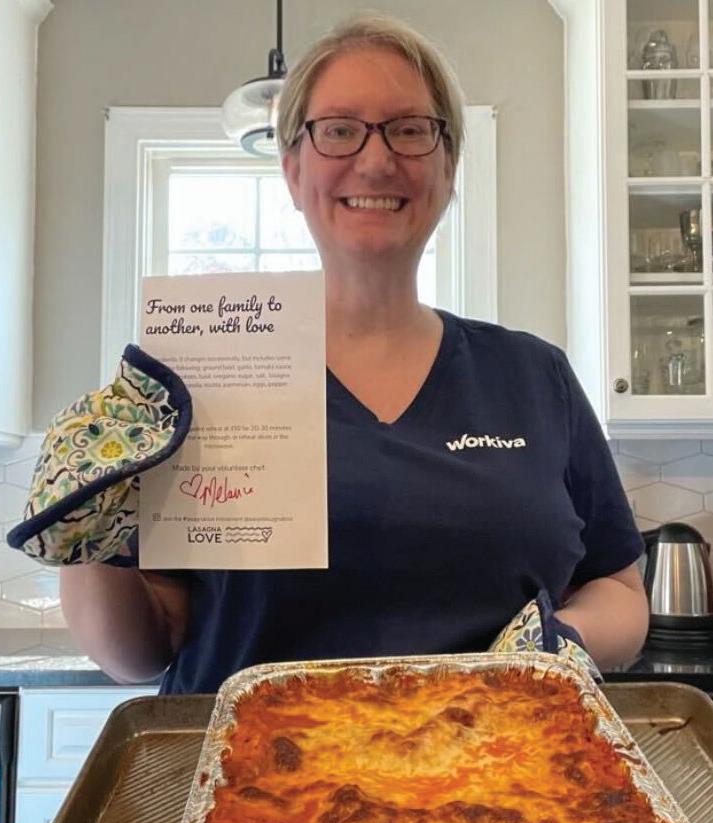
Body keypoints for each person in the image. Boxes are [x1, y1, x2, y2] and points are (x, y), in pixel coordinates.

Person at [57, 13, 648, 692]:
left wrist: (556, 644)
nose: (374, 160)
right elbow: (138, 654)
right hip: (249, 755)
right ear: (292, 169)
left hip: (492, 751)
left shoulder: (534, 376)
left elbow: (618, 592)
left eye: (410, 129)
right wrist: (81, 522)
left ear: (448, 165)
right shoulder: (195, 377)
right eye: (338, 130)